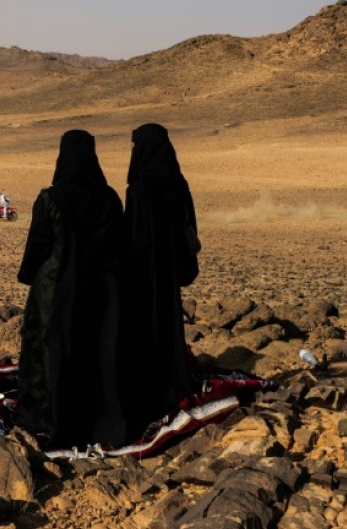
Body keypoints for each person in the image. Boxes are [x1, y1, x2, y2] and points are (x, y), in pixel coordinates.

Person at [16, 129, 126, 449]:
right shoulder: (109, 199)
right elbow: (118, 248)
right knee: (98, 352)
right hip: (103, 291)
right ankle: (102, 424)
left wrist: (28, 277)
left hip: (58, 291)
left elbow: (38, 246)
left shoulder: (50, 198)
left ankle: (48, 421)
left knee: (52, 353)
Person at [118, 123, 199, 440]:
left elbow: (132, 237)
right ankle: (174, 380)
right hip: (169, 273)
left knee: (145, 326)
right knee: (169, 322)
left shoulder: (138, 189)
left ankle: (148, 386)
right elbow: (189, 228)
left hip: (143, 274)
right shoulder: (179, 184)